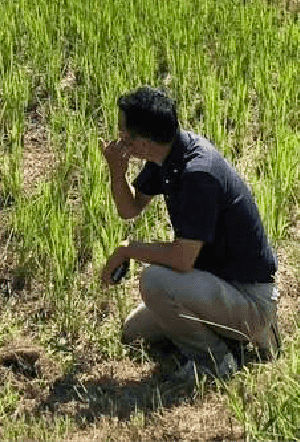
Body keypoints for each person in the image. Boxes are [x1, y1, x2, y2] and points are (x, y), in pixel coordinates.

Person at [100, 86, 280, 385]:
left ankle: (217, 361)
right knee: (133, 332)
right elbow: (129, 209)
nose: (119, 139)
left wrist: (127, 250)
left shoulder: (198, 174)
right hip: (216, 285)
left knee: (154, 281)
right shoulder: (167, 155)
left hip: (250, 299)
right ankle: (224, 333)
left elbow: (182, 260)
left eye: (123, 134)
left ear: (140, 143)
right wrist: (117, 172)